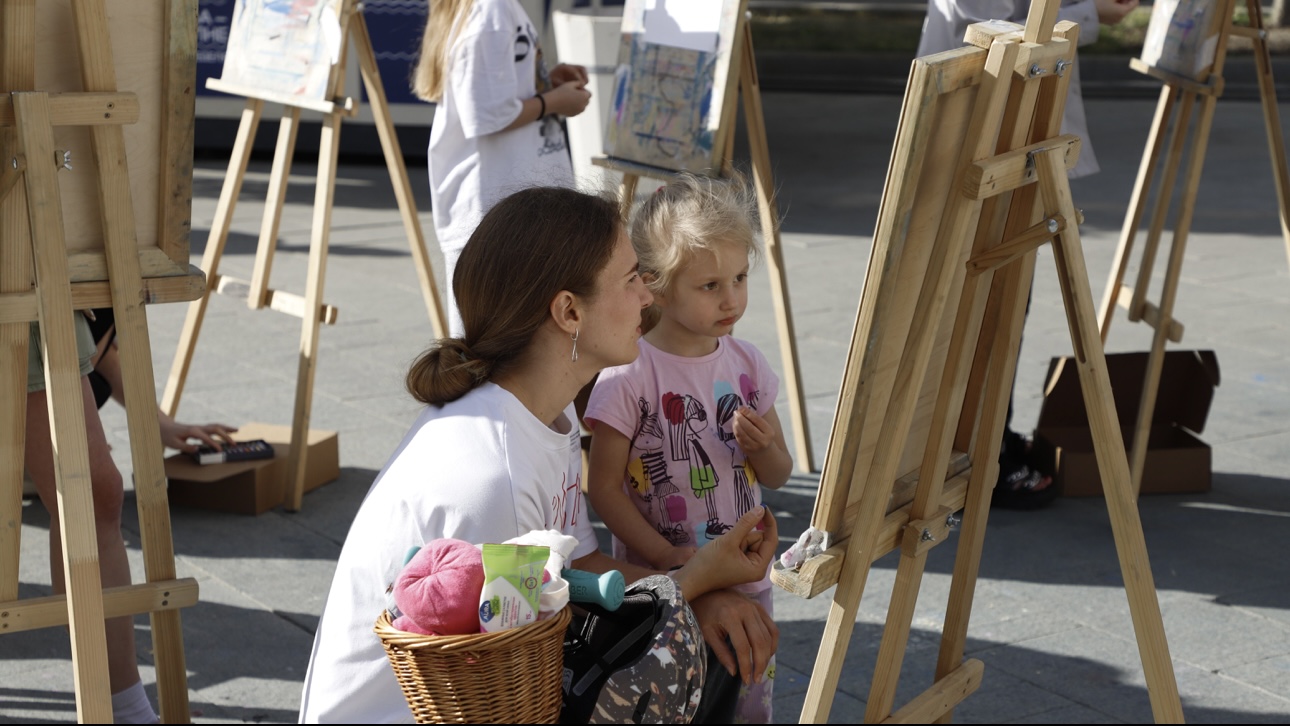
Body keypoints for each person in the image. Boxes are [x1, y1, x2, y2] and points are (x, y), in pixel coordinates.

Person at [297, 186, 780, 724]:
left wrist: (701, 587)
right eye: (630, 280)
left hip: (499, 683)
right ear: (569, 311)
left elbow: (578, 567)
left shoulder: (547, 411)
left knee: (711, 634)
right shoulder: (494, 477)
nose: (647, 296)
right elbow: (513, 681)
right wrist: (692, 585)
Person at [583, 171, 792, 723]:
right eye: (710, 286)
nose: (732, 299)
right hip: (665, 588)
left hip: (747, 576)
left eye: (740, 278)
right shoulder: (629, 374)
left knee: (747, 702)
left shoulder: (747, 364)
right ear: (656, 285)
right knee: (676, 704)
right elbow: (602, 487)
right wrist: (666, 559)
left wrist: (764, 447)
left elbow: (778, 473)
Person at [917, 0, 1139, 508]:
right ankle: (976, 449)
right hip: (985, 131)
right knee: (988, 304)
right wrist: (1091, 12)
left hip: (1007, 128)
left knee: (1006, 297)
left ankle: (987, 433)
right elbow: (993, 31)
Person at [412, 0, 592, 336]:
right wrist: (555, 101)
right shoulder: (491, 9)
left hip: (504, 202)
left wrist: (544, 84)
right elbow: (485, 114)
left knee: (502, 337)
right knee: (491, 340)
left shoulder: (490, 8)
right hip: (497, 205)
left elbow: (488, 95)